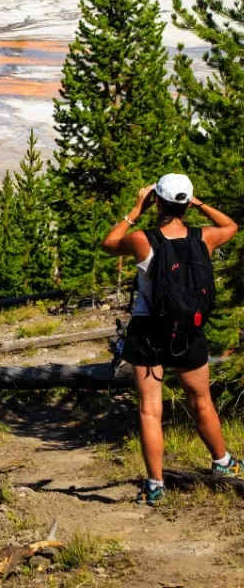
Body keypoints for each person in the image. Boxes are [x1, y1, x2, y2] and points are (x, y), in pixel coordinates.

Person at [102, 174, 240, 505]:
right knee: (201, 400)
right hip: (188, 330)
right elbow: (232, 226)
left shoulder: (142, 240)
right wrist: (199, 204)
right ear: (186, 203)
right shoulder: (205, 237)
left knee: (150, 409)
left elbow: (108, 243)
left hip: (148, 329)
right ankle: (222, 463)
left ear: (158, 202)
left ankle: (155, 486)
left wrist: (135, 209)